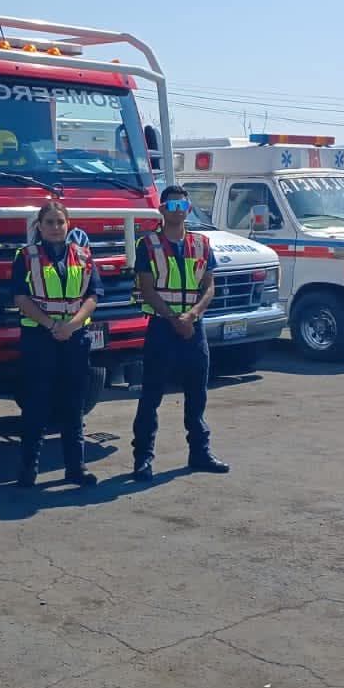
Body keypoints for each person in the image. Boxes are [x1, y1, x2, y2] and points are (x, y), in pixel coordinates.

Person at [130, 185, 231, 482]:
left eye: (181, 204)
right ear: (161, 210)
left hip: (194, 328)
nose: (176, 209)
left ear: (188, 208)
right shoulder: (147, 244)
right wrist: (175, 318)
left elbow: (209, 286)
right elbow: (146, 289)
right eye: (171, 204)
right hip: (162, 327)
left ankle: (200, 452)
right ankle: (142, 459)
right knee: (151, 395)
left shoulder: (201, 243)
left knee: (197, 393)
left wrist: (193, 315)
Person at [12, 200, 105, 488]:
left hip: (75, 339)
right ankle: (28, 471)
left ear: (69, 225)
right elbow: (20, 299)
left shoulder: (83, 256)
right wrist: (53, 325)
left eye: (60, 222)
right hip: (40, 338)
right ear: (39, 227)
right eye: (49, 222)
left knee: (73, 405)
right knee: (36, 405)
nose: (55, 227)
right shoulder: (26, 256)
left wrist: (72, 326)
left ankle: (76, 469)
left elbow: (93, 296)